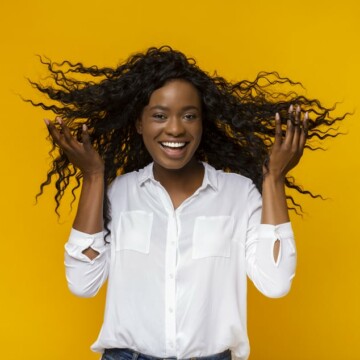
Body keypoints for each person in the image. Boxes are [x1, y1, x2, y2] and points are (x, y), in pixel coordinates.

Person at [31, 46, 344, 360]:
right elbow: (83, 283)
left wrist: (274, 178)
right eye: (159, 115)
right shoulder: (119, 193)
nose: (176, 128)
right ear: (139, 123)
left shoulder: (238, 194)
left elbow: (275, 283)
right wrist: (94, 176)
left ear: (202, 123)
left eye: (189, 116)